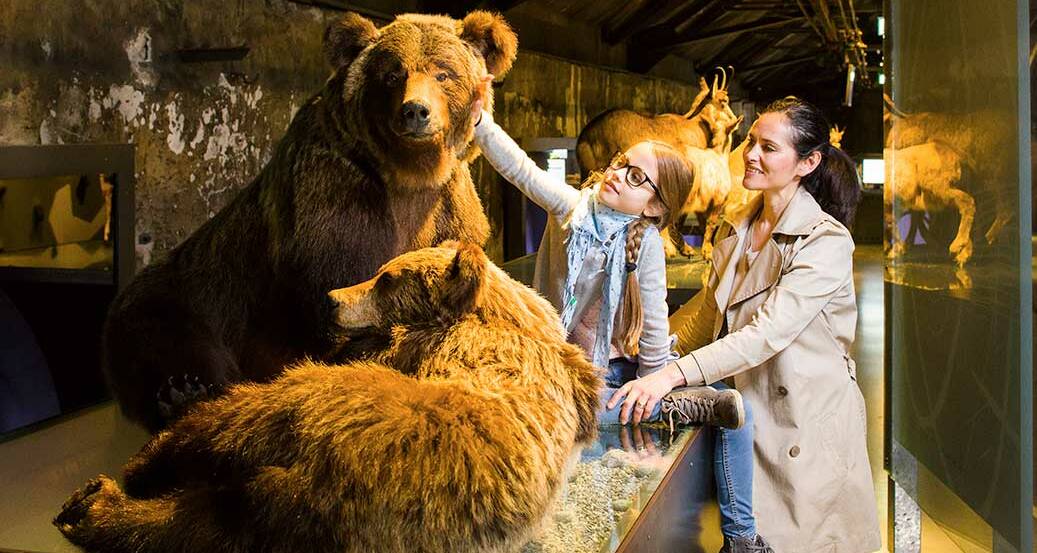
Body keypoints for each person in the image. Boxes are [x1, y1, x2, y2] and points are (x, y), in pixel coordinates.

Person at [470, 76, 756, 550]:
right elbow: (521, 170)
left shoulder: (645, 245)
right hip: (559, 365)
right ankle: (636, 410)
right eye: (622, 164)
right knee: (570, 405)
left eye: (637, 177)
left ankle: (743, 540)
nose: (619, 174)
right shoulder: (573, 209)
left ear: (655, 207)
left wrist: (654, 383)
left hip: (613, 365)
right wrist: (481, 123)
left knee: (726, 406)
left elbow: (655, 327)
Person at [608, 96, 882, 553]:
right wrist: (646, 352)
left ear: (806, 162)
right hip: (751, 415)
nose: (750, 154)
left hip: (805, 430)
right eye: (751, 142)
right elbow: (708, 315)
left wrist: (671, 375)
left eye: (768, 148)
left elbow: (764, 335)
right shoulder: (736, 226)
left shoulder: (826, 242)